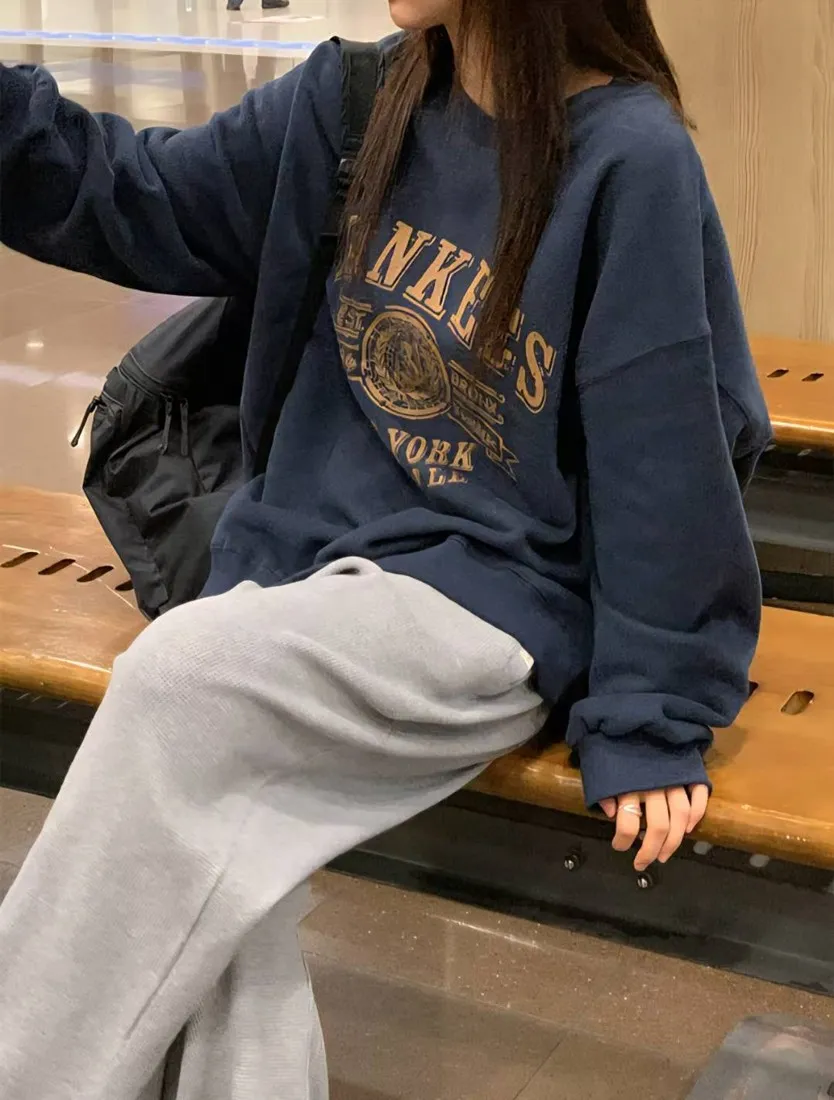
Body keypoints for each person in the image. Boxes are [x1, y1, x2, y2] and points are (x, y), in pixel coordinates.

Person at [0, 0, 770, 1095]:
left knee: (178, 687)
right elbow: (140, 195)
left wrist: (650, 714)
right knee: (207, 842)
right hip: (299, 575)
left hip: (489, 600)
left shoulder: (629, 160)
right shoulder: (357, 101)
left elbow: (668, 455)